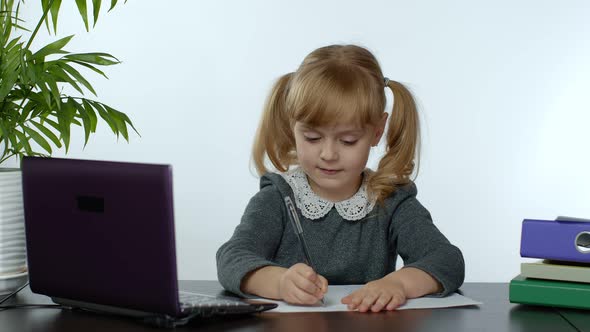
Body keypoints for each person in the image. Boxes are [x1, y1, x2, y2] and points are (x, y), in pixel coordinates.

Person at [216, 44, 464, 313]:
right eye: (312, 137)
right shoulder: (277, 197)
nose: (328, 154)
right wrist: (280, 282)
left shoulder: (391, 201)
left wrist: (399, 284)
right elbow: (232, 258)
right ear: (293, 126)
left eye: (348, 140)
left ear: (377, 131)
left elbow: (447, 260)